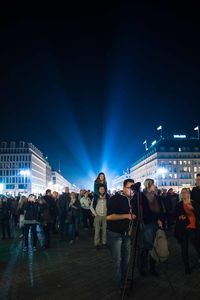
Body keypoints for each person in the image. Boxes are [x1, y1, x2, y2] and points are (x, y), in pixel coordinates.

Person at [106, 178, 136, 292]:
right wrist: (126, 216)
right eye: (130, 188)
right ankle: (119, 284)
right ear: (124, 188)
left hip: (126, 234)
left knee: (126, 260)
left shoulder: (133, 200)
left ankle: (124, 279)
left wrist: (130, 227)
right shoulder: (115, 199)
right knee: (117, 261)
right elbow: (109, 217)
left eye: (133, 188)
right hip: (114, 234)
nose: (132, 190)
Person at [133, 178, 164, 277]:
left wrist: (160, 219)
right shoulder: (141, 196)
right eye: (153, 185)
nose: (155, 186)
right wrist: (156, 219)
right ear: (148, 185)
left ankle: (152, 268)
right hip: (147, 225)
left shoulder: (156, 196)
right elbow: (143, 212)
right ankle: (142, 267)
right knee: (146, 247)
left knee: (155, 246)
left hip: (156, 224)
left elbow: (160, 209)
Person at [174, 188, 200, 274]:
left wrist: (193, 209)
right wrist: (179, 217)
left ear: (189, 193)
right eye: (182, 192)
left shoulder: (193, 203)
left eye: (185, 192)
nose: (183, 194)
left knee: (197, 246)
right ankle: (187, 267)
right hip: (184, 229)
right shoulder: (179, 204)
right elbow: (174, 215)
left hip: (194, 228)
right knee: (184, 248)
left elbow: (199, 214)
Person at [90, 185, 109, 249]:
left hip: (105, 216)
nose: (102, 190)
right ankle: (97, 243)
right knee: (97, 230)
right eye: (101, 189)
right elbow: (91, 207)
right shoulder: (95, 198)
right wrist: (95, 214)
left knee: (104, 230)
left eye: (103, 189)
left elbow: (109, 206)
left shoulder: (107, 197)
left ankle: (104, 242)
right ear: (98, 190)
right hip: (97, 216)